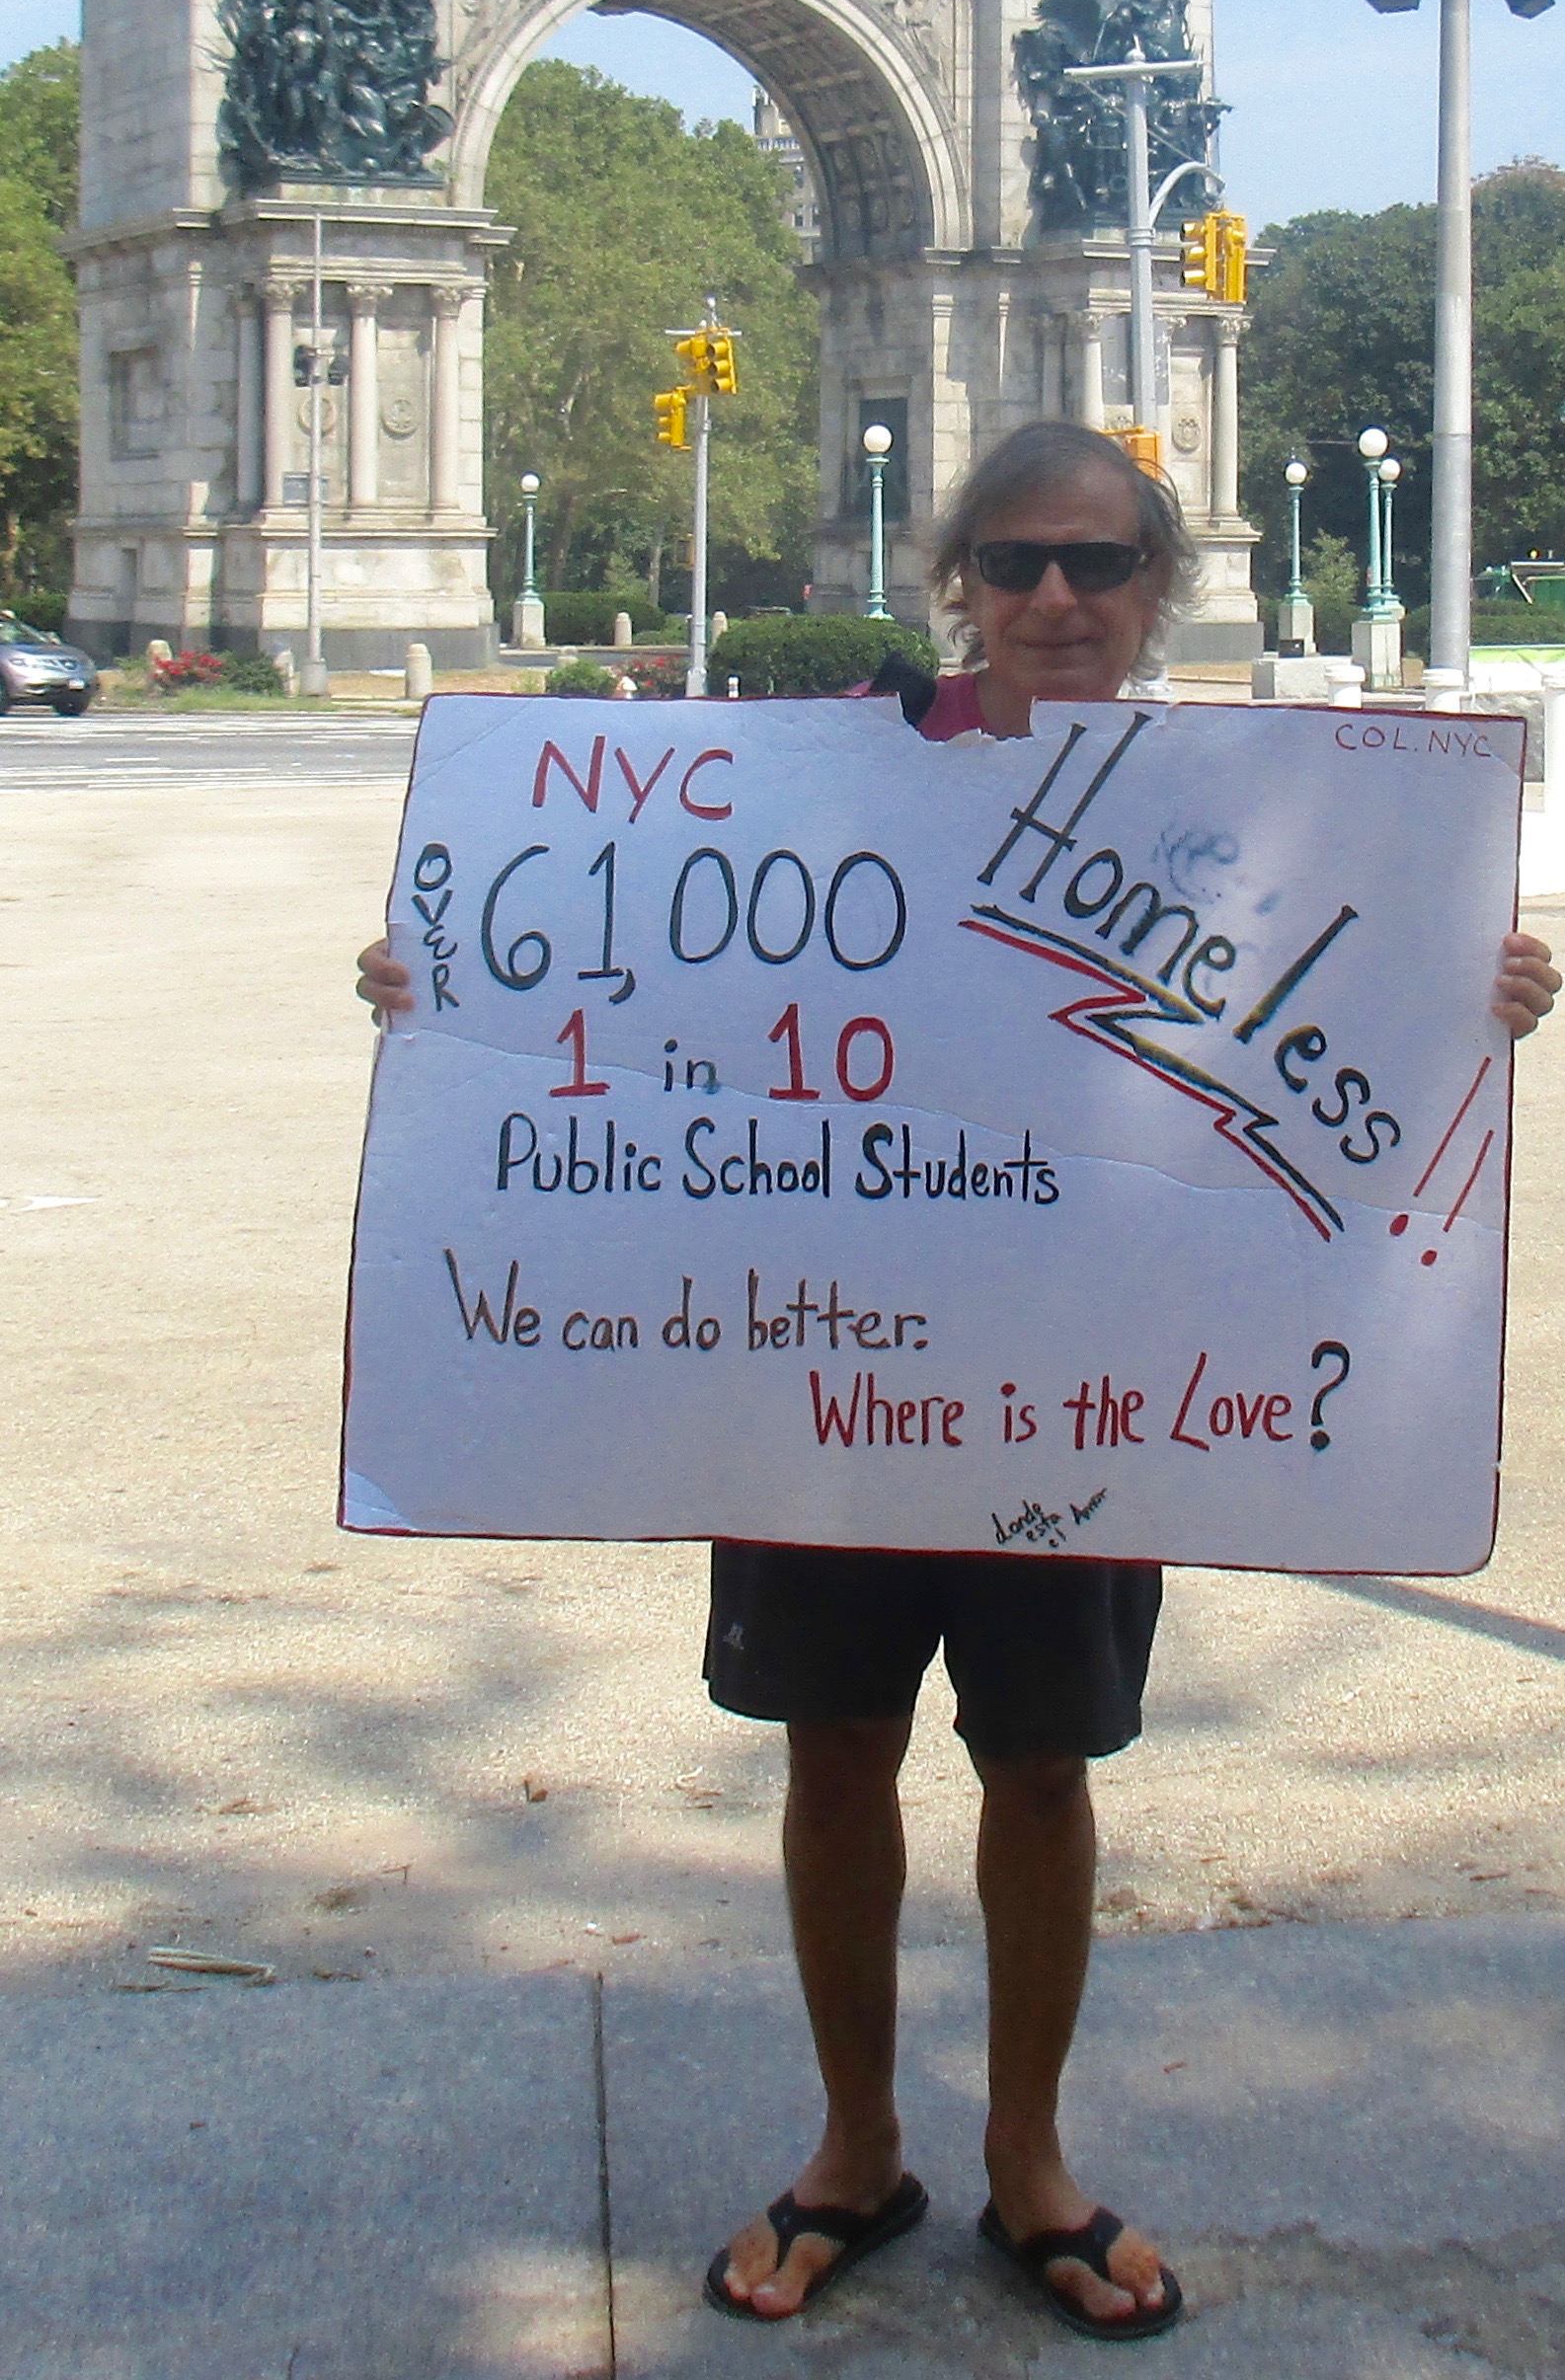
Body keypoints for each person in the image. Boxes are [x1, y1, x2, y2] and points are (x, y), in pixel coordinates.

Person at [356, 421, 1557, 2342]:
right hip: (831, 1370)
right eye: (1011, 564)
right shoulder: (817, 769)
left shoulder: (1264, 795)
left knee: (1039, 1763)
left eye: (1092, 565)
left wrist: (1471, 993)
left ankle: (1025, 2157)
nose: (1054, 600)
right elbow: (601, 955)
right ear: (958, 585)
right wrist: (443, 988)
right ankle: (855, 2147)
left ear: (1157, 585)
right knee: (833, 1751)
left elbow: (1360, 1049)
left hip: (1074, 1390)